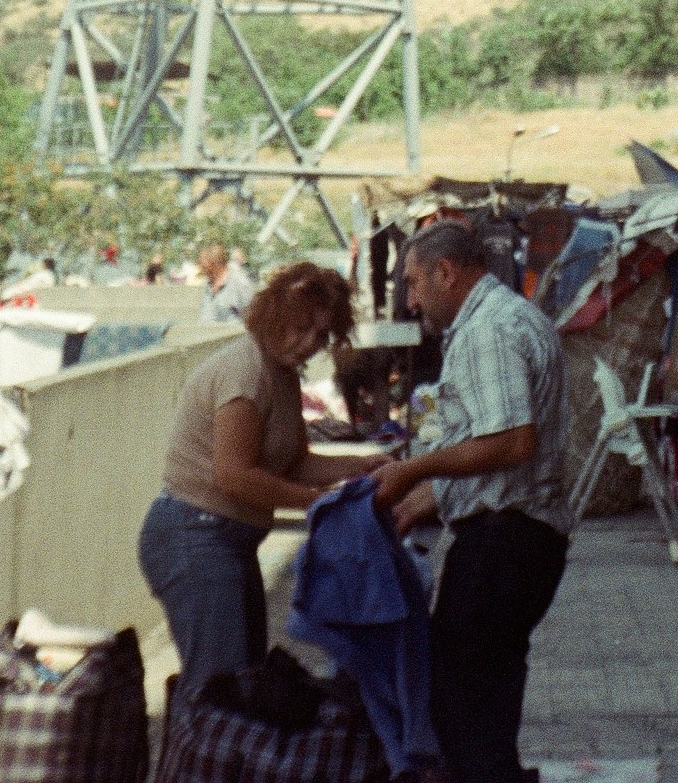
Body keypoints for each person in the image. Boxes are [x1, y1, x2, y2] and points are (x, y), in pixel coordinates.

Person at [371, 220, 573, 783]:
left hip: (504, 541)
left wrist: (417, 467)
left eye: (413, 284)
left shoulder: (489, 330)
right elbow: (490, 440)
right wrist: (432, 493)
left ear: (446, 272)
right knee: (486, 699)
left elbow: (512, 441)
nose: (411, 301)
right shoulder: (506, 317)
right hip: (521, 536)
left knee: (464, 707)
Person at [138, 263, 383, 701]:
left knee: (242, 679)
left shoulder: (280, 372)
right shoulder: (246, 374)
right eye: (299, 328)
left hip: (226, 540)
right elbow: (237, 477)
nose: (308, 344)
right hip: (194, 536)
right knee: (221, 690)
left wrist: (360, 467)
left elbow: (292, 461)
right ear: (272, 315)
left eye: (320, 336)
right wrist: (319, 504)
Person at [197, 242, 256, 325]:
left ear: (212, 262)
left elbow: (253, 317)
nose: (199, 266)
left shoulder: (239, 282)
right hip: (205, 336)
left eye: (201, 262)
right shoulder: (209, 285)